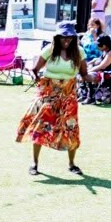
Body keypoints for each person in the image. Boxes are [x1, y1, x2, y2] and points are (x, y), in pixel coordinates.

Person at [17, 22, 90, 177]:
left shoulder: (79, 52)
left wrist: (94, 77)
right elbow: (36, 70)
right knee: (40, 126)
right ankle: (34, 163)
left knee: (71, 127)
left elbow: (84, 74)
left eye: (70, 37)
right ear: (57, 37)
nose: (66, 40)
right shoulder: (50, 50)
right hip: (48, 93)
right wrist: (34, 75)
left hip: (69, 94)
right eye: (63, 37)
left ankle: (72, 164)